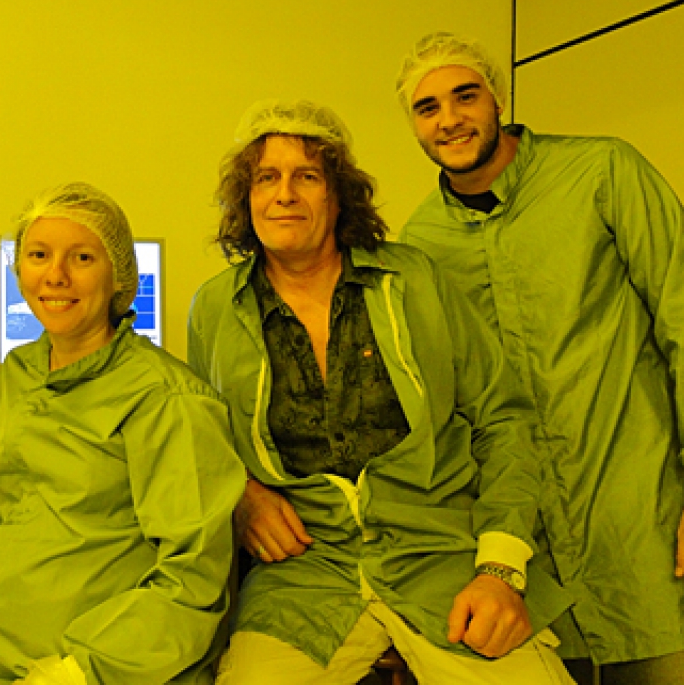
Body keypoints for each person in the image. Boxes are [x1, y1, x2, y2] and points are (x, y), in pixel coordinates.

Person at [186, 99, 575, 685]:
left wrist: (500, 569)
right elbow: (201, 436)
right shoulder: (215, 308)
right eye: (266, 177)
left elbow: (504, 418)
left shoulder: (414, 280)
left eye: (306, 177)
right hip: (302, 579)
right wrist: (241, 493)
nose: (284, 194)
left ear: (339, 194)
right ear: (246, 197)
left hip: (441, 561)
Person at [398, 32, 684, 684]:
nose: (449, 119)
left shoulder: (603, 173)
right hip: (531, 564)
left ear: (496, 97)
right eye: (427, 107)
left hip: (649, 528)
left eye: (465, 96)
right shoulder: (421, 242)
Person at [0, 182, 245, 685]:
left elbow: (192, 583)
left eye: (80, 257)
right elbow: (38, 455)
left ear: (118, 274)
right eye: (38, 254)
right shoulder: (23, 369)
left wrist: (75, 672)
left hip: (105, 668)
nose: (55, 275)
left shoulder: (167, 400)